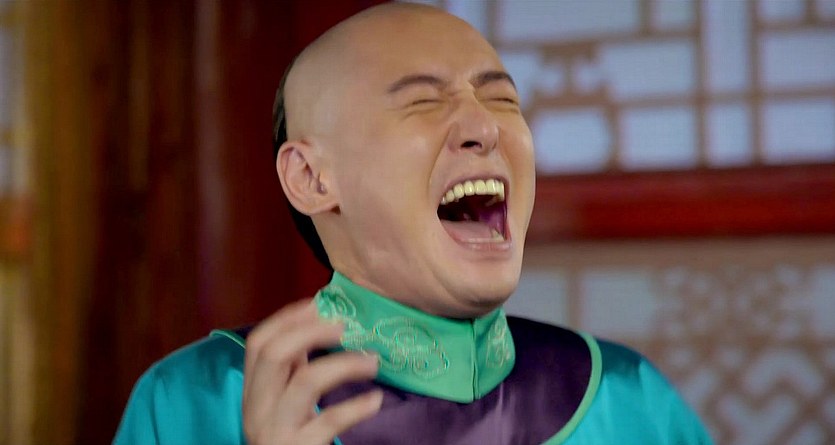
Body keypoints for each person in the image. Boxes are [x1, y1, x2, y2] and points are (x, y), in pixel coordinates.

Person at [114, 3, 713, 444]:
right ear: (312, 178)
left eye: (502, 99)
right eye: (424, 100)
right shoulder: (198, 401)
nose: (485, 127)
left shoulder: (626, 398)